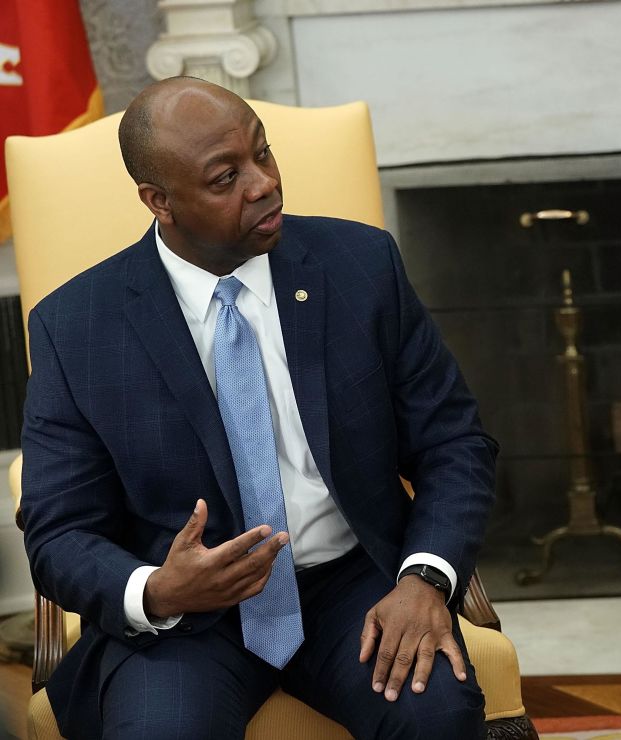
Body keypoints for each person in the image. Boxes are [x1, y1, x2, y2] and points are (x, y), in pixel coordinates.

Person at [19, 76, 498, 739]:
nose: (264, 183)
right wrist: (155, 590)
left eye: (263, 155)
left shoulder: (361, 266)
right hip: (188, 621)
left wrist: (425, 579)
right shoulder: (76, 328)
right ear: (160, 201)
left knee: (437, 713)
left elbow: (455, 442)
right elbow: (58, 531)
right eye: (225, 178)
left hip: (355, 585)